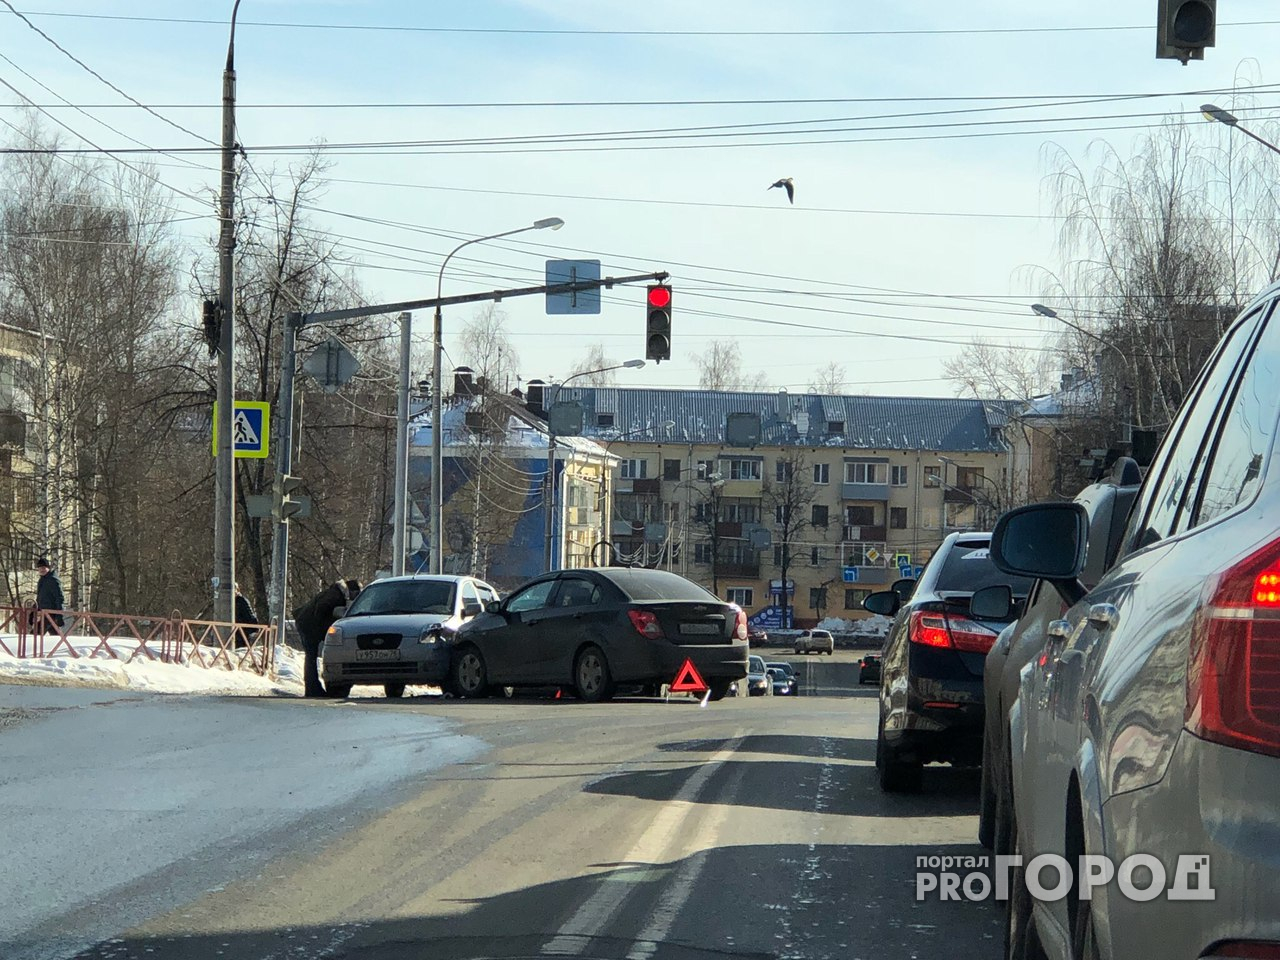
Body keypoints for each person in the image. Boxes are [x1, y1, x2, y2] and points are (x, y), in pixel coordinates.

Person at [293, 579, 362, 698]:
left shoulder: (336, 593)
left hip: (307, 622)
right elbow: (320, 610)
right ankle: (312, 689)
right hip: (308, 624)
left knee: (311, 657)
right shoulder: (335, 595)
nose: (355, 598)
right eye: (356, 594)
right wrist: (323, 629)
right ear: (352, 591)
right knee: (311, 657)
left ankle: (313, 687)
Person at [33, 557, 65, 635]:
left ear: (48, 568)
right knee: (56, 636)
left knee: (35, 635)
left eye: (44, 568)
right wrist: (34, 610)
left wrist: (59, 615)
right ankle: (64, 646)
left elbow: (59, 598)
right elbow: (40, 597)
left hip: (51, 612)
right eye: (40, 568)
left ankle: (31, 647)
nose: (41, 570)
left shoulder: (53, 580)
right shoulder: (42, 580)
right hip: (44, 612)